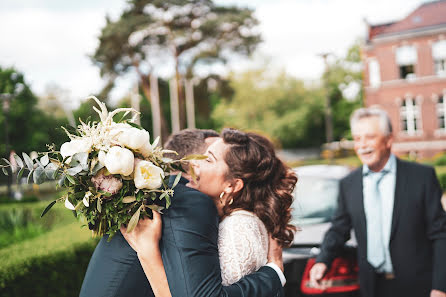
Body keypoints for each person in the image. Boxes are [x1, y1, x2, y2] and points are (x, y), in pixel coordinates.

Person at [79, 128, 286, 297]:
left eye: (208, 159)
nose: (194, 163)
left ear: (233, 184)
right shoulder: (190, 201)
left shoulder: (231, 221)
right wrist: (274, 271)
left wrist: (148, 252)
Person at [309, 107, 446, 297]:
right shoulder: (348, 184)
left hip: (419, 287)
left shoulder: (422, 177)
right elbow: (339, 229)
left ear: (389, 139)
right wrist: (322, 260)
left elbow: (440, 234)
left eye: (370, 137)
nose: (362, 145)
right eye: (357, 139)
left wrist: (440, 287)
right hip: (371, 287)